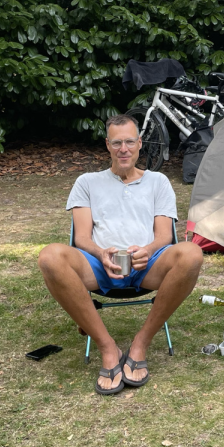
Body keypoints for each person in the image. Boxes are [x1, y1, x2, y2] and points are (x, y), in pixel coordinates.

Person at [38, 115, 203, 395]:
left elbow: (165, 235)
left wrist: (148, 250)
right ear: (108, 145)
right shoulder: (87, 182)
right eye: (116, 143)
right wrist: (101, 252)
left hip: (147, 265)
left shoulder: (158, 182)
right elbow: (81, 238)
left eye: (129, 142)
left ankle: (140, 344)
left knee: (192, 254)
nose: (123, 149)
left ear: (140, 143)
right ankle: (108, 348)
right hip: (98, 265)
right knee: (49, 257)